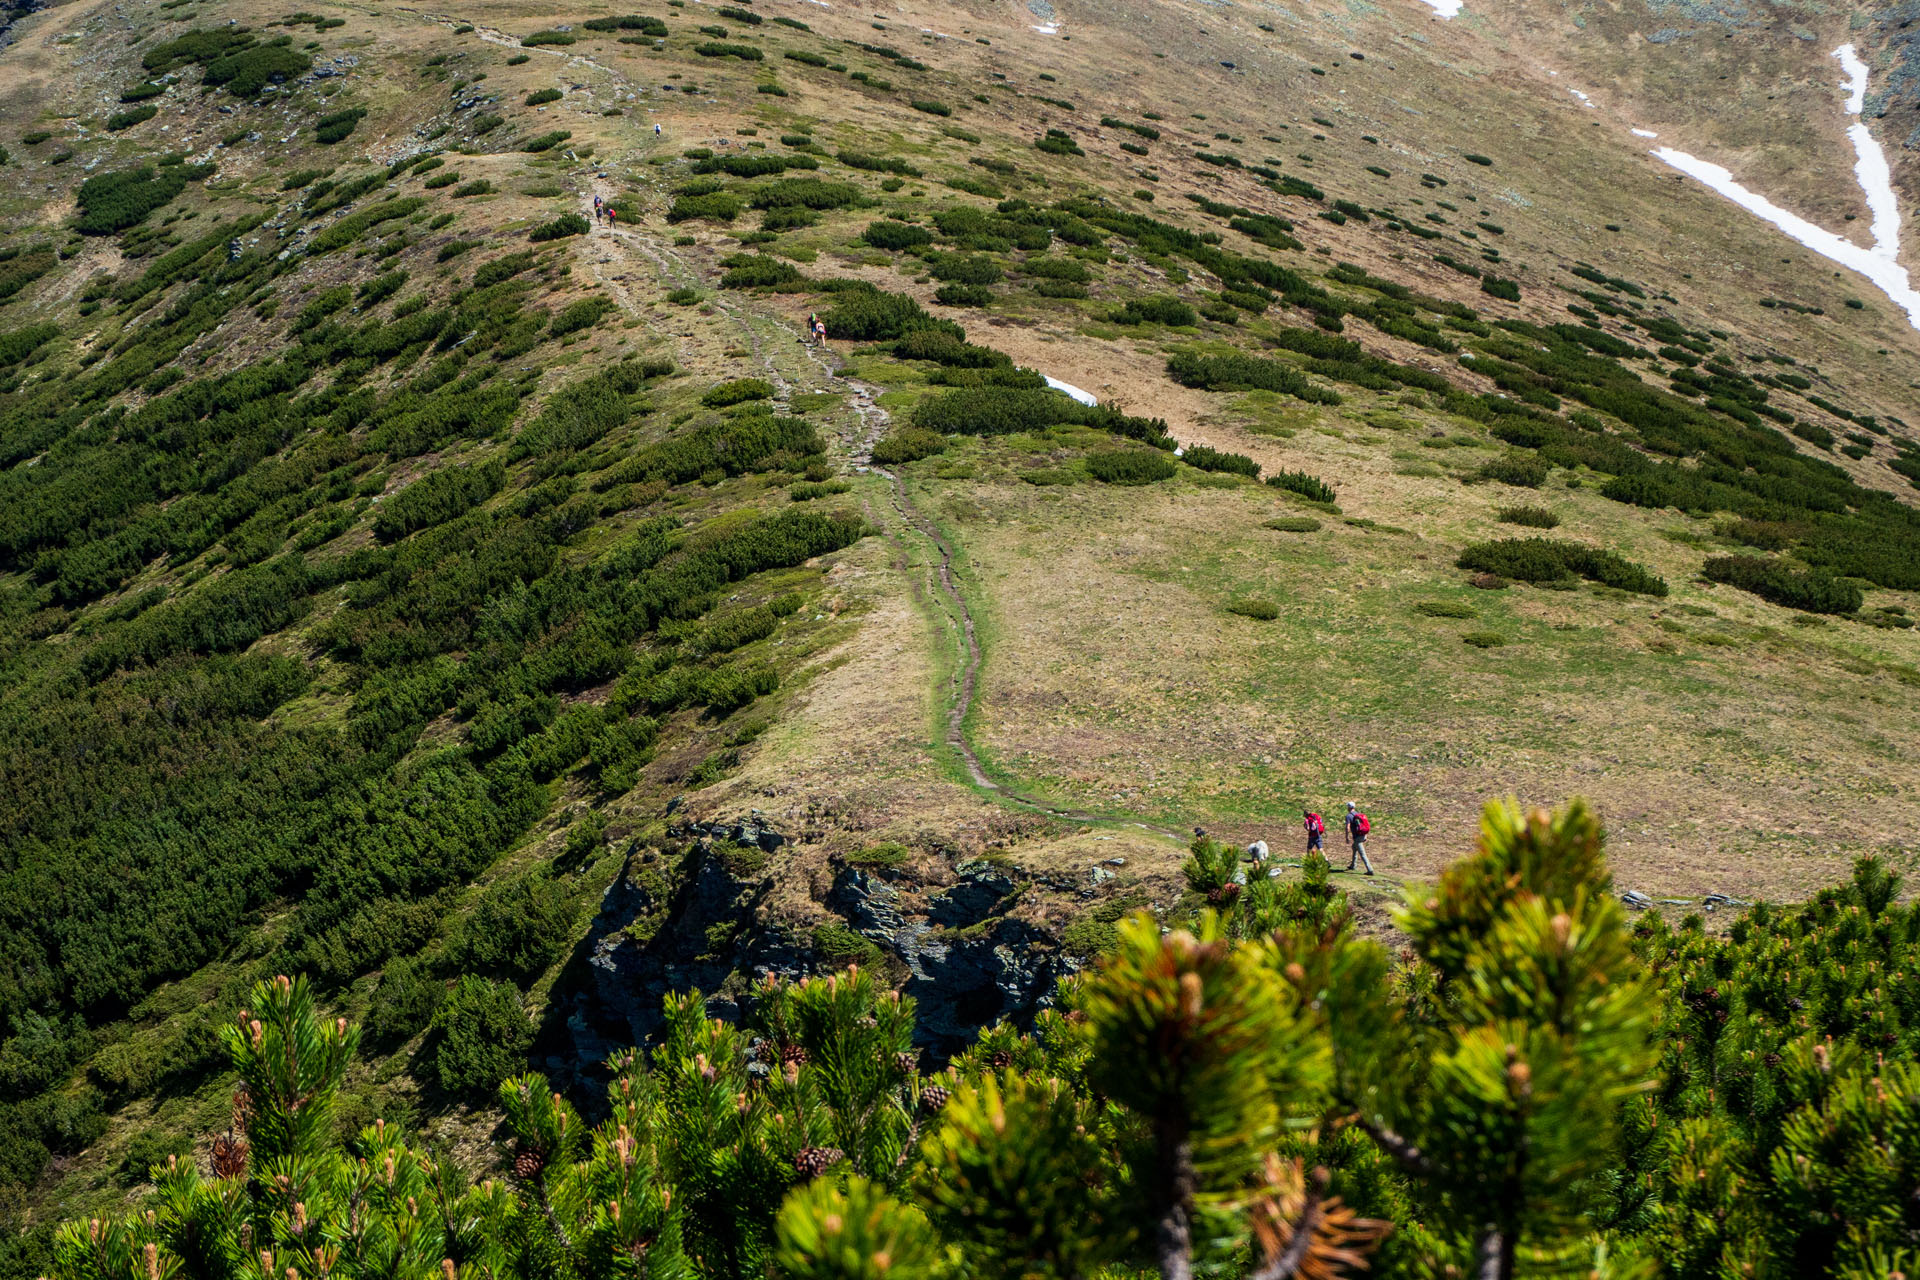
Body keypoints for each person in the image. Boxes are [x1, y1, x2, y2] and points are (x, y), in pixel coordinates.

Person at [1344, 801, 1373, 875]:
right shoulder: (1358, 814)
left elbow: (1347, 827)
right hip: (1362, 835)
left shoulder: (1348, 816)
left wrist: (1347, 837)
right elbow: (1365, 825)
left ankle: (1370, 869)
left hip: (1357, 837)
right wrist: (1365, 836)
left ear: (1349, 807)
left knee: (1362, 854)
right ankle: (1353, 865)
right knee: (1354, 847)